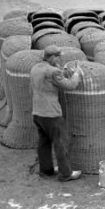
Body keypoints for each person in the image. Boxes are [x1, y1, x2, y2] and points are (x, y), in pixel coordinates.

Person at [30, 45, 84, 181]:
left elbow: (48, 81)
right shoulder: (53, 71)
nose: (60, 58)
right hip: (51, 114)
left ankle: (46, 170)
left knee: (43, 142)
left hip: (37, 112)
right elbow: (71, 85)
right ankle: (66, 174)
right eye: (58, 56)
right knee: (61, 143)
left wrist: (59, 69)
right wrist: (76, 73)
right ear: (52, 57)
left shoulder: (35, 68)